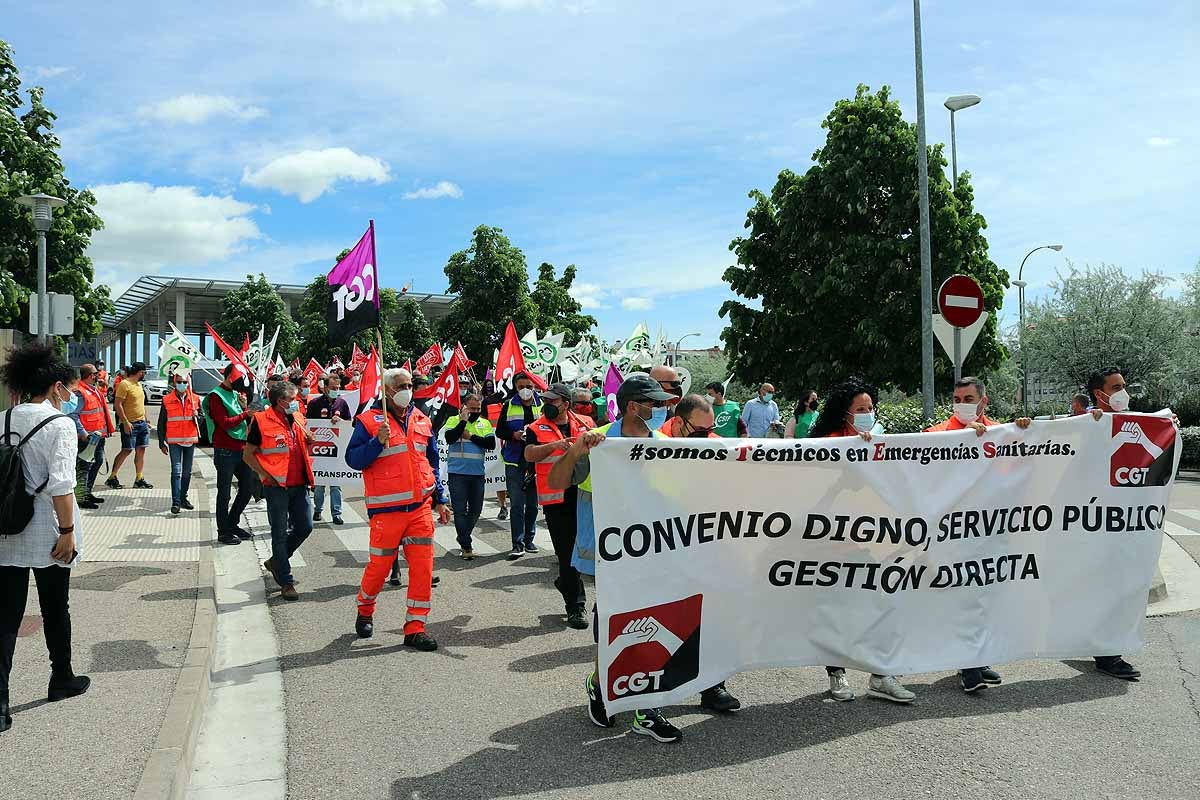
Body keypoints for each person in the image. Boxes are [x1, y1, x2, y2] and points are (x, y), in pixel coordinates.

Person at [545, 373, 684, 742]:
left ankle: (646, 708)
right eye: (652, 403)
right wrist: (577, 449)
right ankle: (601, 683)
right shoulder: (599, 441)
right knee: (615, 625)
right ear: (632, 406)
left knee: (651, 621)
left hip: (654, 549)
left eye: (660, 403)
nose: (658, 409)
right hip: (609, 555)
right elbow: (557, 483)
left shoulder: (663, 442)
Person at [0, 343, 92, 733]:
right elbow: (62, 485)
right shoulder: (61, 424)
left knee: (5, 618)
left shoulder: (2, 419)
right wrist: (68, 532)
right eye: (66, 388)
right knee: (56, 607)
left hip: (5, 530)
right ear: (56, 387)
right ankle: (61, 679)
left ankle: (0, 703)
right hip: (50, 532)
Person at [808, 376, 915, 704]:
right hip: (833, 545)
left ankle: (881, 675)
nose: (868, 413)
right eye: (860, 409)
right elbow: (813, 493)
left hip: (873, 543)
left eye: (870, 408)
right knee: (836, 612)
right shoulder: (826, 443)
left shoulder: (879, 442)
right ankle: (836, 672)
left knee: (883, 605)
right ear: (845, 413)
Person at [924, 377, 1032, 692]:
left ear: (983, 401)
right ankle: (969, 664)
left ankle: (978, 658)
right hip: (954, 533)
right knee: (963, 597)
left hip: (991, 530)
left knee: (986, 596)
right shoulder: (937, 435)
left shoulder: (1002, 433)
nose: (962, 404)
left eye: (969, 398)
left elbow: (1016, 473)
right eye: (958, 398)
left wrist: (1023, 433)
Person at [346, 368, 450, 650]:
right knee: (379, 568)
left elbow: (431, 461)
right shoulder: (368, 422)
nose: (407, 389)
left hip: (419, 509)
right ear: (388, 390)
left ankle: (415, 628)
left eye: (409, 385)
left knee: (422, 569)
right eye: (402, 385)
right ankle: (365, 608)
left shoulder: (422, 420)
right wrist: (375, 442)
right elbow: (354, 460)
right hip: (386, 512)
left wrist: (440, 498)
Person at [661, 393, 744, 712]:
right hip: (663, 543)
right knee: (666, 617)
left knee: (709, 616)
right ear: (679, 422)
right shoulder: (652, 443)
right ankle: (649, 687)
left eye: (710, 430)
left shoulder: (715, 443)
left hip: (706, 542)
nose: (707, 437)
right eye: (700, 431)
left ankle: (713, 686)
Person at [1084, 367, 1144, 681]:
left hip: (1121, 526)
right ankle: (1108, 655)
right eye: (1116, 387)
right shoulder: (1084, 425)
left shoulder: (1135, 423)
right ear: (1100, 394)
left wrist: (1169, 428)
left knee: (1115, 587)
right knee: (1104, 588)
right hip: (1091, 525)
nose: (1123, 391)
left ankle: (1103, 648)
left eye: (1124, 385)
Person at [524, 383, 594, 628]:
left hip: (586, 494)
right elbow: (529, 454)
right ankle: (576, 607)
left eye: (553, 401)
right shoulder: (536, 427)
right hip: (556, 498)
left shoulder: (586, 423)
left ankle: (566, 584)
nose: (547, 404)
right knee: (567, 555)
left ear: (566, 403)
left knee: (588, 548)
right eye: (546, 400)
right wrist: (555, 445)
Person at [243, 381, 315, 602]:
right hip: (276, 488)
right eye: (292, 399)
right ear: (280, 401)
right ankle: (286, 581)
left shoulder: (298, 418)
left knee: (305, 526)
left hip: (300, 483)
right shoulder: (261, 421)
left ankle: (277, 561)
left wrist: (309, 442)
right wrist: (264, 474)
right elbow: (248, 454)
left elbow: (300, 446)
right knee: (279, 533)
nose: (296, 403)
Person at [204, 364, 256, 546]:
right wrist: (245, 414)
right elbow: (224, 423)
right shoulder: (215, 396)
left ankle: (232, 522)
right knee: (224, 492)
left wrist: (245, 409)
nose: (238, 387)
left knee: (248, 488)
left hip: (241, 447)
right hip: (225, 450)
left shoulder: (235, 394)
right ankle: (223, 531)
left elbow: (246, 419)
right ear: (227, 377)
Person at [443, 393, 496, 560]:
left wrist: (471, 436)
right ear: (464, 408)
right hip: (457, 473)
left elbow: (491, 444)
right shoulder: (453, 420)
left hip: (477, 474)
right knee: (459, 511)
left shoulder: (484, 423)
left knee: (475, 511)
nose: (475, 411)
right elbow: (450, 438)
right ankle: (466, 544)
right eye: (472, 408)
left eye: (478, 409)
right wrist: (463, 422)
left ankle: (462, 535)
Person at [497, 372, 543, 558]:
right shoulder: (508, 405)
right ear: (516, 387)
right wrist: (513, 435)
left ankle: (529, 539)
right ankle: (517, 543)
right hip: (514, 459)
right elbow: (500, 430)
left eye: (529, 386)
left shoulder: (542, 405)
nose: (526, 390)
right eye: (521, 386)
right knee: (517, 503)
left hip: (536, 459)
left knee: (532, 504)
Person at [306, 374, 350, 525]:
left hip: (336, 451)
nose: (336, 391)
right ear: (324, 387)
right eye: (333, 388)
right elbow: (308, 425)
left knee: (335, 485)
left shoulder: (342, 403)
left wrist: (341, 421)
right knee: (319, 484)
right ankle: (318, 510)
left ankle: (336, 513)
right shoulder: (314, 404)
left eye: (338, 388)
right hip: (319, 451)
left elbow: (349, 425)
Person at [157, 373, 201, 515]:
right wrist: (161, 442)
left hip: (190, 439)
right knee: (176, 472)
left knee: (187, 473)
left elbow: (202, 420)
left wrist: (197, 416)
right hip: (174, 441)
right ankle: (176, 502)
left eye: (185, 382)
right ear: (175, 383)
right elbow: (161, 422)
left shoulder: (195, 399)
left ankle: (183, 498)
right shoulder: (167, 399)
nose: (183, 384)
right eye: (180, 381)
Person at [74, 363, 114, 508]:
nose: (99, 375)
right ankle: (80, 497)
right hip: (87, 438)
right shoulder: (80, 392)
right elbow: (74, 415)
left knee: (97, 462)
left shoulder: (93, 389)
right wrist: (83, 433)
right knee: (84, 466)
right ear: (90, 375)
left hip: (98, 436)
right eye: (96, 373)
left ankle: (87, 491)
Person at [107, 361, 152, 489]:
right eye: (144, 372)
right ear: (140, 372)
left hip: (142, 423)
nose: (144, 374)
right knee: (127, 450)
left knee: (141, 449)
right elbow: (118, 404)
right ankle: (112, 477)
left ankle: (139, 478)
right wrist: (125, 422)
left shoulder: (138, 385)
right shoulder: (124, 384)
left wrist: (146, 419)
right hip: (129, 424)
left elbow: (141, 404)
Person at [481, 378, 509, 521]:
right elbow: (484, 421)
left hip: (515, 443)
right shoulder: (488, 402)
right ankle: (503, 506)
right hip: (497, 443)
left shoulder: (516, 398)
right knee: (499, 475)